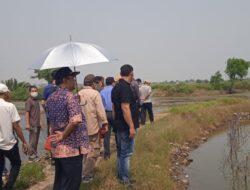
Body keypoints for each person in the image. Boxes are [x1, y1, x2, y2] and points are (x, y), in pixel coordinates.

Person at [46, 67, 89, 190]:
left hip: (58, 148)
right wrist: (64, 134)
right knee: (71, 184)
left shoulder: (51, 98)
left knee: (60, 182)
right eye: (72, 78)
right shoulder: (70, 97)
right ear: (65, 79)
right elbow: (75, 120)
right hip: (71, 148)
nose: (74, 81)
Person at [111, 64, 139, 186]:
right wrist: (131, 127)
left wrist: (115, 121)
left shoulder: (115, 87)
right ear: (131, 73)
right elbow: (125, 108)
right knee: (126, 153)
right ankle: (124, 179)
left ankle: (120, 175)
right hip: (126, 126)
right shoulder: (125, 88)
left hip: (118, 124)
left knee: (121, 152)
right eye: (133, 74)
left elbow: (113, 107)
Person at [78, 74, 108, 183]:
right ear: (93, 83)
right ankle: (87, 175)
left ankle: (82, 173)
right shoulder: (95, 94)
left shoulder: (78, 93)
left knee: (83, 152)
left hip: (79, 129)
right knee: (93, 152)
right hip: (92, 128)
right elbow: (100, 111)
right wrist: (105, 123)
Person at [0, 83, 28, 190]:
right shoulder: (10, 106)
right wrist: (24, 141)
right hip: (9, 143)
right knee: (16, 163)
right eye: (8, 93)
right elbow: (16, 126)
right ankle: (7, 187)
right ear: (5, 93)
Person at [100, 77, 116, 160]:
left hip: (105, 114)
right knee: (117, 132)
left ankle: (107, 155)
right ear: (113, 82)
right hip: (114, 113)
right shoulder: (115, 89)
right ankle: (119, 150)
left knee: (107, 135)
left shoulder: (101, 91)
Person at [25, 85, 41, 162]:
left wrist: (40, 122)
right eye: (33, 91)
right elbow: (27, 113)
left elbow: (38, 113)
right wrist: (27, 124)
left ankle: (35, 154)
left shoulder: (36, 100)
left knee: (36, 140)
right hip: (32, 124)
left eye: (35, 91)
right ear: (30, 92)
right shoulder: (29, 101)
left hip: (37, 124)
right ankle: (31, 156)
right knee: (32, 140)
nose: (34, 92)